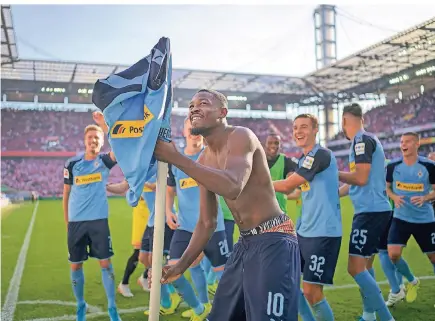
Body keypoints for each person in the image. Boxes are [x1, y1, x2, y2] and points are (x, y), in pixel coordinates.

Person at [154, 89, 300, 321]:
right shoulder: (203, 159)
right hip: (245, 244)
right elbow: (206, 222)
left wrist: (177, 158)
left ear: (223, 112)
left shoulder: (241, 136)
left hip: (274, 240)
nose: (194, 108)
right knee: (221, 316)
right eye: (191, 105)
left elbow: (233, 186)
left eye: (202, 103)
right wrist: (181, 266)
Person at [273, 114, 341, 321]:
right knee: (291, 283)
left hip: (323, 232)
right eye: (295, 128)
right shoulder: (303, 159)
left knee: (312, 292)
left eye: (304, 127)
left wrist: (254, 182)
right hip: (304, 231)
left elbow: (287, 186)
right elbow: (296, 191)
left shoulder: (319, 154)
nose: (298, 131)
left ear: (315, 130)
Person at [165, 118, 228, 320]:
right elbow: (170, 190)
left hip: (212, 227)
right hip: (186, 228)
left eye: (198, 127)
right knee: (171, 271)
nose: (194, 131)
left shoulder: (213, 156)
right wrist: (168, 210)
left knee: (224, 278)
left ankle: (229, 314)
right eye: (190, 127)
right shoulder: (176, 161)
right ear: (184, 131)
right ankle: (201, 309)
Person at [338, 103, 395, 321]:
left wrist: (334, 172)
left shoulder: (361, 141)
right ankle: (369, 315)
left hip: (370, 213)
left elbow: (360, 178)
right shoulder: (367, 140)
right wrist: (335, 194)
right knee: (366, 266)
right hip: (377, 210)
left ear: (344, 121)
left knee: (355, 267)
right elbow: (357, 182)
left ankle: (386, 317)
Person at [63, 114, 121, 321]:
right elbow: (66, 193)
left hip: (98, 221)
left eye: (97, 138)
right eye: (90, 138)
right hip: (76, 222)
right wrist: (67, 220)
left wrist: (104, 126)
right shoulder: (72, 164)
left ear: (102, 140)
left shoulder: (104, 161)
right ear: (85, 141)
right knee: (75, 265)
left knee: (105, 264)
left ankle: (113, 307)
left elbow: (120, 149)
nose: (93, 141)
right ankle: (81, 305)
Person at [107, 177, 179, 315]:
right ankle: (168, 289)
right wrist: (106, 186)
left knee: (156, 261)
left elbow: (157, 187)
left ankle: (167, 300)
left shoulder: (159, 168)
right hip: (152, 220)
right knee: (143, 258)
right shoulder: (140, 172)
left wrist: (139, 181)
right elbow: (124, 188)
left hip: (164, 219)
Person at [386, 132, 435, 303]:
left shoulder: (429, 166)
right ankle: (412, 280)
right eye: (401, 142)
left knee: (433, 258)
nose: (403, 144)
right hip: (401, 218)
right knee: (393, 254)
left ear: (417, 144)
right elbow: (387, 188)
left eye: (407, 141)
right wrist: (394, 197)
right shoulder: (393, 166)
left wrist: (425, 197)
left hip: (425, 219)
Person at [264, 132, 298, 213]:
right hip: (260, 212)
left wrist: (267, 186)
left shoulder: (287, 161)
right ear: (265, 145)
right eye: (270, 143)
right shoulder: (257, 161)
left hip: (279, 211)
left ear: (280, 145)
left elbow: (289, 189)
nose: (273, 146)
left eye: (276, 143)